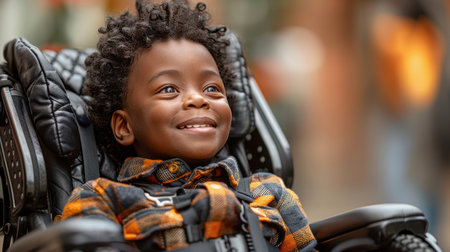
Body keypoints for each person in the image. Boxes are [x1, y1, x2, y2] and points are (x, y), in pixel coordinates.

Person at [61, 0, 316, 251]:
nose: (198, 98)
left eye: (212, 88)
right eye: (169, 89)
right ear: (124, 126)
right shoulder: (102, 200)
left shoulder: (268, 192)